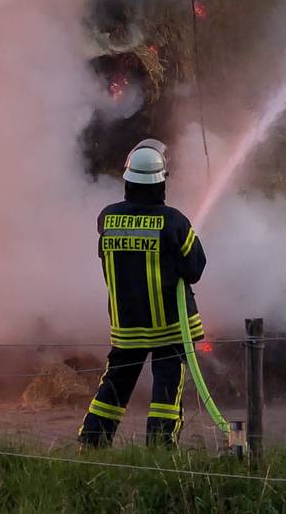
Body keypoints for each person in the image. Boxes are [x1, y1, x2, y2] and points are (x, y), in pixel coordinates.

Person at [78, 139, 206, 448]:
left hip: (127, 325)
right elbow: (195, 268)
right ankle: (160, 448)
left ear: (127, 180)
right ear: (161, 182)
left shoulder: (107, 218)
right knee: (167, 389)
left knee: (115, 385)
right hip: (169, 326)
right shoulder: (174, 221)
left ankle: (92, 442)